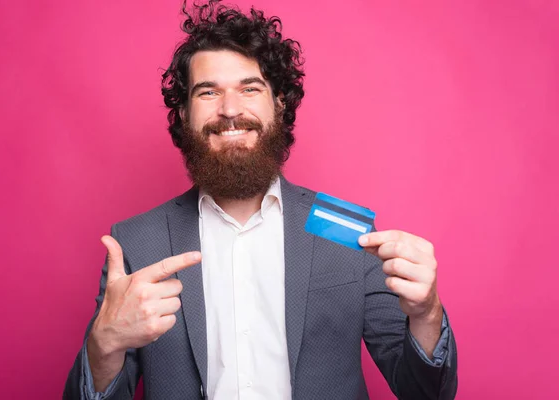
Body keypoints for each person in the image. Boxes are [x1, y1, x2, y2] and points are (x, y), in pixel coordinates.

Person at [63, 1, 458, 399]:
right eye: (208, 92)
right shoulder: (136, 243)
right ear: (183, 114)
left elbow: (425, 392)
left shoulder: (348, 232)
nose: (230, 110)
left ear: (280, 102)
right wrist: (103, 346)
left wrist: (427, 315)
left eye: (249, 88)